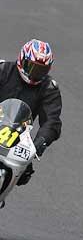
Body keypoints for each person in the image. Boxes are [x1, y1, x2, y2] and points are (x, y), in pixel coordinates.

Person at [0, 40, 62, 185]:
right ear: (22, 59)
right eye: (33, 68)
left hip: (16, 137)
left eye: (41, 70)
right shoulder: (3, 70)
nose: (36, 74)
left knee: (24, 174)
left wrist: (42, 140)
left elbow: (52, 120)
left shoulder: (48, 88)